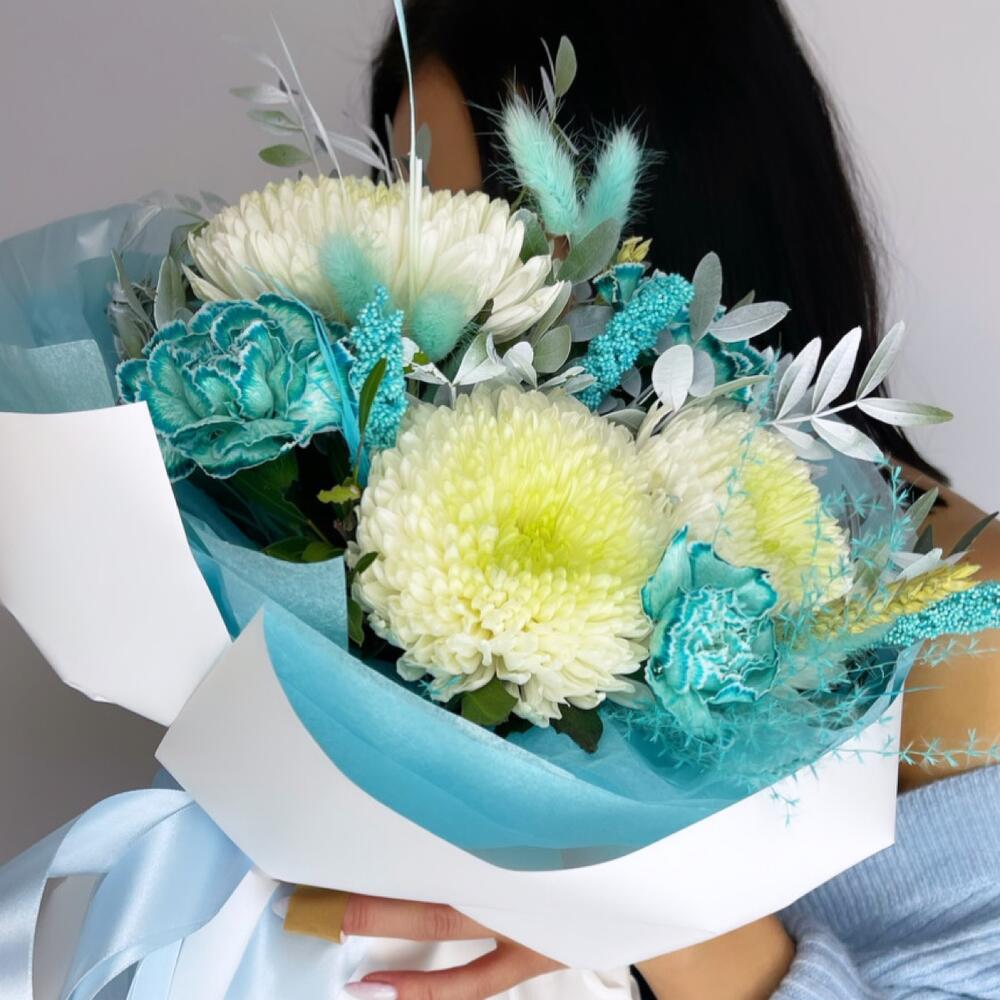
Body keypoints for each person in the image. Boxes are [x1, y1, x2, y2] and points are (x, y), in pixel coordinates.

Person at [333, 2, 1000, 997]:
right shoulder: (450, 548)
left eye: (475, 222)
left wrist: (645, 900)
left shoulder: (963, 625)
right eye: (400, 209)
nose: (407, 299)